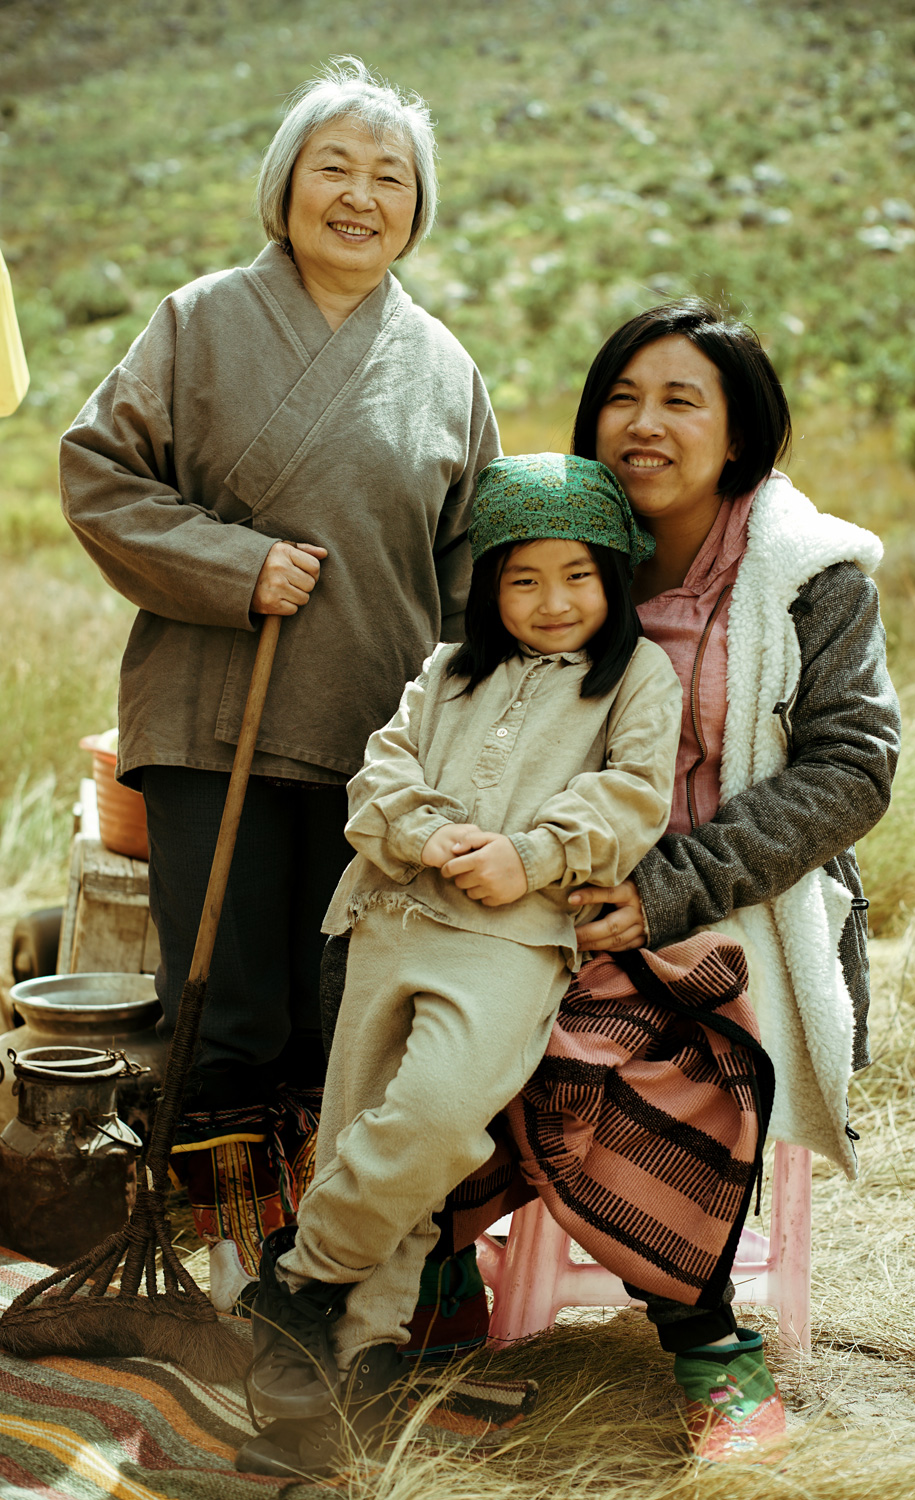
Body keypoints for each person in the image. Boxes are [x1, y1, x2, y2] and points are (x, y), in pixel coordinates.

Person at [59, 58, 500, 1313]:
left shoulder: (445, 368)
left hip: (379, 749)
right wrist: (234, 564)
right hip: (216, 725)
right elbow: (97, 475)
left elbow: (470, 580)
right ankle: (212, 1275)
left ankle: (313, 1283)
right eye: (333, 169)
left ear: (417, 208)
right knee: (228, 1015)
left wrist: (465, 742)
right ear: (284, 186)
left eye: (389, 178)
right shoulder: (198, 322)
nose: (359, 197)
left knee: (342, 1022)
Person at [235, 452, 684, 1477]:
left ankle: (297, 1278)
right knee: (362, 1123)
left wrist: (530, 856)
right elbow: (378, 775)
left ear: (614, 577)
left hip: (512, 939)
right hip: (388, 912)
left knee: (435, 1117)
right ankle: (356, 1363)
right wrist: (430, 834)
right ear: (489, 587)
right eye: (524, 579)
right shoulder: (444, 671)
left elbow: (631, 799)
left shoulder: (637, 678)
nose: (553, 601)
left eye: (578, 575)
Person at [551, 298, 901, 1460]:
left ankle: (706, 1336)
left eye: (678, 401)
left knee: (613, 1045)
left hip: (734, 906)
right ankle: (428, 1269)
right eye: (620, 398)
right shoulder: (559, 553)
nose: (641, 425)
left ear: (738, 432)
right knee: (424, 1000)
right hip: (559, 884)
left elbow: (852, 767)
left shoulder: (808, 576)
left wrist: (665, 891)